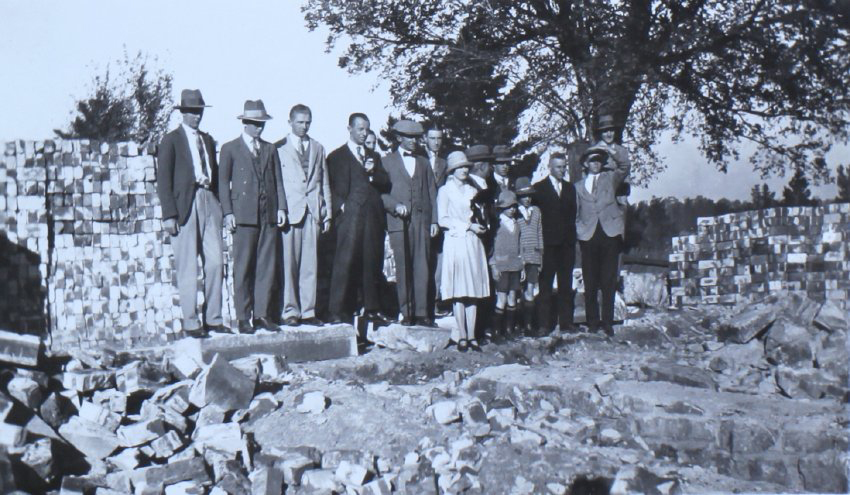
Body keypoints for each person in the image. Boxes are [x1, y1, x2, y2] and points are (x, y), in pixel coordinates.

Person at [156, 89, 224, 337]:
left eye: (199, 111)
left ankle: (214, 318)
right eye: (191, 111)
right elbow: (163, 180)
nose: (196, 116)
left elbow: (214, 173)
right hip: (185, 203)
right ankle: (191, 321)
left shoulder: (207, 139)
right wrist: (169, 215)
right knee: (188, 266)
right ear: (182, 112)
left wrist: (219, 206)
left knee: (216, 262)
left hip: (208, 199)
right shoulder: (171, 140)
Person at [219, 100, 288, 334]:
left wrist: (281, 208)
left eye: (262, 124)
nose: (259, 128)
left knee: (266, 267)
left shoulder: (270, 149)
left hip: (267, 214)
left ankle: (261, 315)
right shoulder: (230, 149)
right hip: (244, 216)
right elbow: (222, 183)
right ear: (245, 123)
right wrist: (228, 212)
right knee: (243, 267)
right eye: (255, 123)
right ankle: (242, 317)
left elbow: (277, 181)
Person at [326, 113, 391, 323]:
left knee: (371, 261)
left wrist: (372, 173)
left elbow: (385, 183)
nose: (364, 133)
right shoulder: (336, 156)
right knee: (345, 261)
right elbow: (330, 186)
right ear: (350, 129)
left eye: (366, 129)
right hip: (349, 217)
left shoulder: (374, 156)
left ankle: (372, 308)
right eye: (360, 129)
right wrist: (341, 207)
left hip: (371, 216)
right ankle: (338, 310)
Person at [276, 104, 330, 326]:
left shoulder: (318, 147)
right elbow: (277, 182)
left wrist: (327, 213)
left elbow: (324, 180)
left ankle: (308, 311)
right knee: (290, 264)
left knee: (310, 264)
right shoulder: (279, 148)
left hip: (312, 211)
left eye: (307, 122)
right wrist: (280, 209)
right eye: (300, 122)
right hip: (290, 212)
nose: (304, 126)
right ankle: (290, 311)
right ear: (290, 122)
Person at [381, 120, 438, 326]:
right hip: (398, 222)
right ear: (398, 138)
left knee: (422, 265)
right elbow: (381, 193)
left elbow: (432, 191)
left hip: (421, 221)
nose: (414, 141)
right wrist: (394, 206)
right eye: (409, 137)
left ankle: (422, 313)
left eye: (416, 137)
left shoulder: (423, 162)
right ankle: (407, 312)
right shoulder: (386, 161)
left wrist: (434, 220)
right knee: (403, 266)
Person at [437, 151, 490, 352]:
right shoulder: (445, 191)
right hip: (456, 241)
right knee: (459, 290)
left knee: (472, 290)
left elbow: (480, 214)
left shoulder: (472, 190)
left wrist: (480, 225)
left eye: (466, 167)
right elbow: (443, 219)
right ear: (452, 170)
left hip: (472, 243)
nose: (464, 170)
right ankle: (462, 335)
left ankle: (472, 335)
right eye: (459, 167)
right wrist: (468, 226)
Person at [576, 144, 630, 336]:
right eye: (592, 160)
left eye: (599, 160)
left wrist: (610, 150)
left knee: (608, 280)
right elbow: (576, 211)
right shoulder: (578, 186)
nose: (596, 164)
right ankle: (592, 322)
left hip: (609, 233)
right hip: (588, 236)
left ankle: (607, 322)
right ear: (585, 164)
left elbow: (624, 166)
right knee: (590, 281)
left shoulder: (610, 178)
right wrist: (579, 230)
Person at [534, 153, 578, 336]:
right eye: (558, 167)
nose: (562, 170)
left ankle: (566, 323)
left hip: (566, 244)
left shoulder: (570, 189)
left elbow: (572, 214)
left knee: (565, 284)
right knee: (545, 285)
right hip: (548, 244)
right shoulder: (539, 188)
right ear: (550, 167)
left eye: (564, 167)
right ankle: (544, 324)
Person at [490, 190, 525, 343]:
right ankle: (497, 331)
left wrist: (522, 264)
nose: (512, 209)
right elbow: (491, 248)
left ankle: (509, 329)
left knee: (513, 297)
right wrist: (493, 266)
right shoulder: (497, 225)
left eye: (514, 206)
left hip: (515, 266)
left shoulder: (517, 225)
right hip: (501, 266)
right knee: (501, 298)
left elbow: (520, 246)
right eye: (509, 206)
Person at [423, 124, 448, 319]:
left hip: (440, 216)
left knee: (438, 259)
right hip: (421, 216)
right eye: (432, 138)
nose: (436, 142)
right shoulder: (418, 160)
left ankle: (436, 300)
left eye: (439, 138)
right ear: (425, 139)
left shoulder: (445, 164)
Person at [515, 177, 543, 334]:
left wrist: (540, 256)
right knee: (517, 289)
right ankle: (515, 324)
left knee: (531, 289)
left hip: (534, 255)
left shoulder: (537, 211)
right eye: (524, 196)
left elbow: (539, 233)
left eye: (529, 196)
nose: (527, 199)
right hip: (519, 256)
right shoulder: (515, 213)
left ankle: (528, 325)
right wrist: (518, 256)